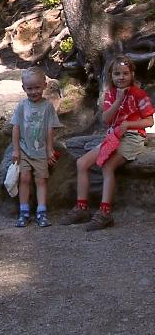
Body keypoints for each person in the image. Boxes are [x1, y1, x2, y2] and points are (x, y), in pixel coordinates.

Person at [60, 55, 154, 231]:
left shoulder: (139, 95)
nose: (121, 77)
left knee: (107, 166)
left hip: (133, 137)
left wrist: (129, 124)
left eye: (125, 73)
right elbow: (106, 119)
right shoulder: (111, 94)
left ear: (132, 74)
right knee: (82, 162)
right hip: (113, 136)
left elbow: (149, 122)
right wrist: (118, 101)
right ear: (110, 76)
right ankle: (81, 207)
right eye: (117, 74)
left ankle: (105, 212)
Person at [11, 66, 62, 228]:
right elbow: (16, 127)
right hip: (25, 150)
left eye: (37, 87)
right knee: (24, 178)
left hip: (40, 151)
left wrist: (49, 149)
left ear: (44, 86)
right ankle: (23, 211)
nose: (33, 92)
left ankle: (41, 211)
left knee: (41, 180)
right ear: (24, 88)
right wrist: (16, 150)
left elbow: (49, 129)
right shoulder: (22, 106)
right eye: (29, 88)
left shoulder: (47, 107)